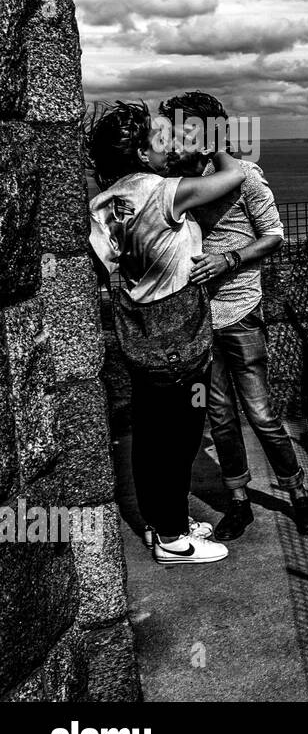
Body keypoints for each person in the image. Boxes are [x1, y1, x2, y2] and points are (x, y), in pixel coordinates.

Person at [159, 91, 308, 539]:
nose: (173, 137)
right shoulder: (174, 178)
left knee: (260, 411)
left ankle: (298, 495)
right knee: (220, 415)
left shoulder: (245, 176)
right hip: (195, 318)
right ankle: (238, 501)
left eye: (183, 127)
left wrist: (229, 259)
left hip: (239, 309)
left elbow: (274, 236)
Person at [87, 101, 244, 565]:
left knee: (150, 437)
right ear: (140, 152)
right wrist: (219, 148)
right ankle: (175, 541)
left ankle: (162, 522)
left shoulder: (105, 202)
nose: (172, 143)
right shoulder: (163, 191)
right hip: (178, 333)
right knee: (180, 440)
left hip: (138, 330)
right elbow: (232, 178)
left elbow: (106, 262)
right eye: (161, 139)